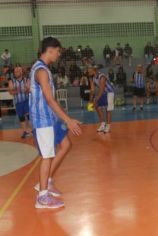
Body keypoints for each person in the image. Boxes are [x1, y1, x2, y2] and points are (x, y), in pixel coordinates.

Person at [30, 37, 82, 209]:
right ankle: (42, 196)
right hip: (43, 120)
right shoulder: (41, 71)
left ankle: (47, 180)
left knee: (66, 144)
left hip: (51, 118)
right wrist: (68, 120)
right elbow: (50, 99)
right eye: (58, 51)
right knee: (47, 156)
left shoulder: (43, 69)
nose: (59, 54)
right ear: (50, 50)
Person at [88, 66, 115, 133]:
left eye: (89, 71)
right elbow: (92, 90)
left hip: (109, 93)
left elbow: (101, 90)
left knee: (108, 110)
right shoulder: (93, 78)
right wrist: (91, 100)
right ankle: (103, 124)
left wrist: (96, 100)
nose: (88, 72)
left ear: (93, 70)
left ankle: (108, 127)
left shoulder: (102, 77)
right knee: (97, 106)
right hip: (103, 93)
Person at [8, 66, 31, 138]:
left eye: (18, 71)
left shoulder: (26, 79)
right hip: (18, 102)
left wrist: (27, 90)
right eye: (15, 71)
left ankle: (33, 130)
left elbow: (29, 90)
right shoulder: (11, 81)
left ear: (21, 72)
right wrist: (16, 91)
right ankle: (25, 131)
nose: (16, 72)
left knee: (29, 116)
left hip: (26, 101)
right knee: (21, 118)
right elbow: (11, 92)